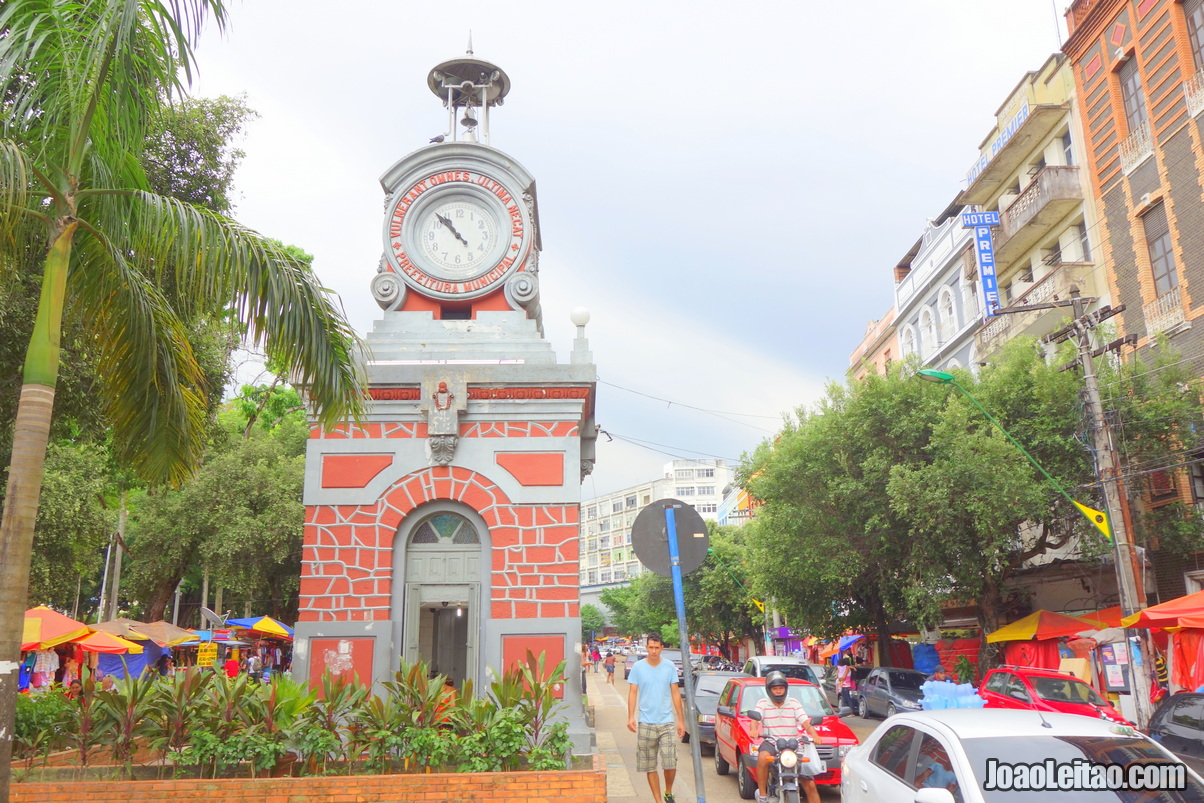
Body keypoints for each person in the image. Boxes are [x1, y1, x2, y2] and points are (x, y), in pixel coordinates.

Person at [626, 633, 685, 803]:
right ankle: (658, 800)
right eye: (650, 647)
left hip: (666, 722)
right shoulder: (638, 667)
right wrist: (631, 716)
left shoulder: (669, 666)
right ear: (646, 647)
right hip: (645, 722)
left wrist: (681, 720)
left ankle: (668, 791)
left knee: (670, 763)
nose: (653, 651)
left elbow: (675, 693)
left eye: (656, 648)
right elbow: (632, 692)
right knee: (649, 765)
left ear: (661, 648)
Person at [751, 670, 822, 803]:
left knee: (810, 784)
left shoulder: (794, 703)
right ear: (769, 690)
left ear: (785, 689)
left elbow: (805, 722)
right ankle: (762, 795)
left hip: (793, 745)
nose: (778, 691)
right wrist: (754, 730)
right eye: (775, 688)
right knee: (762, 758)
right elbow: (755, 720)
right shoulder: (762, 703)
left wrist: (815, 734)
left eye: (781, 688)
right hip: (772, 742)